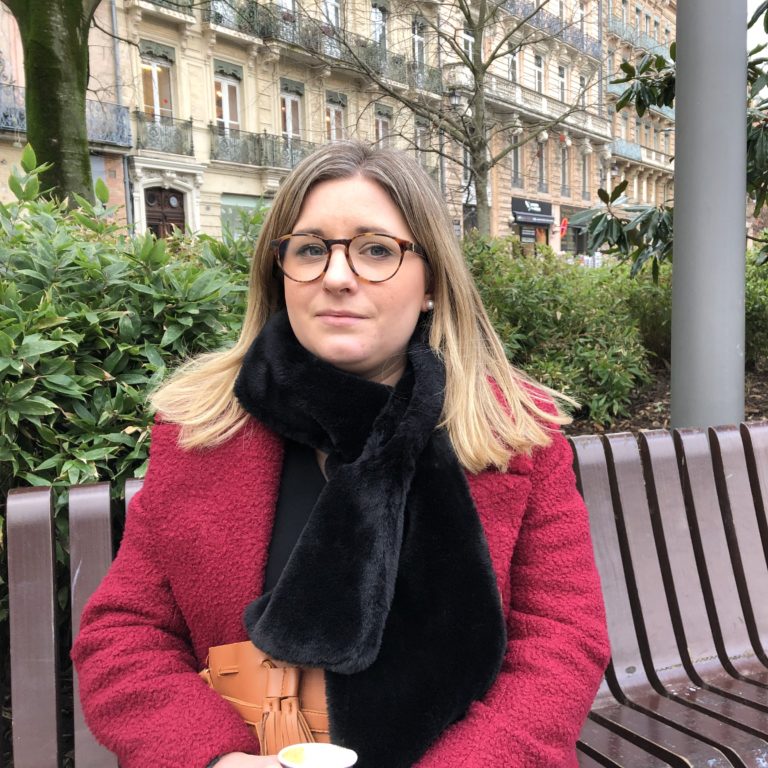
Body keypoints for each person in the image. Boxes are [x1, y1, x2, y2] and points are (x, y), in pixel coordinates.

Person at [71, 140, 610, 768]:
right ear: (281, 273)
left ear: (431, 281)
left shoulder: (515, 433)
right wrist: (213, 758)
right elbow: (124, 635)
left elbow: (562, 642)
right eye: (310, 249)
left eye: (377, 249)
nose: (336, 276)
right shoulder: (201, 427)